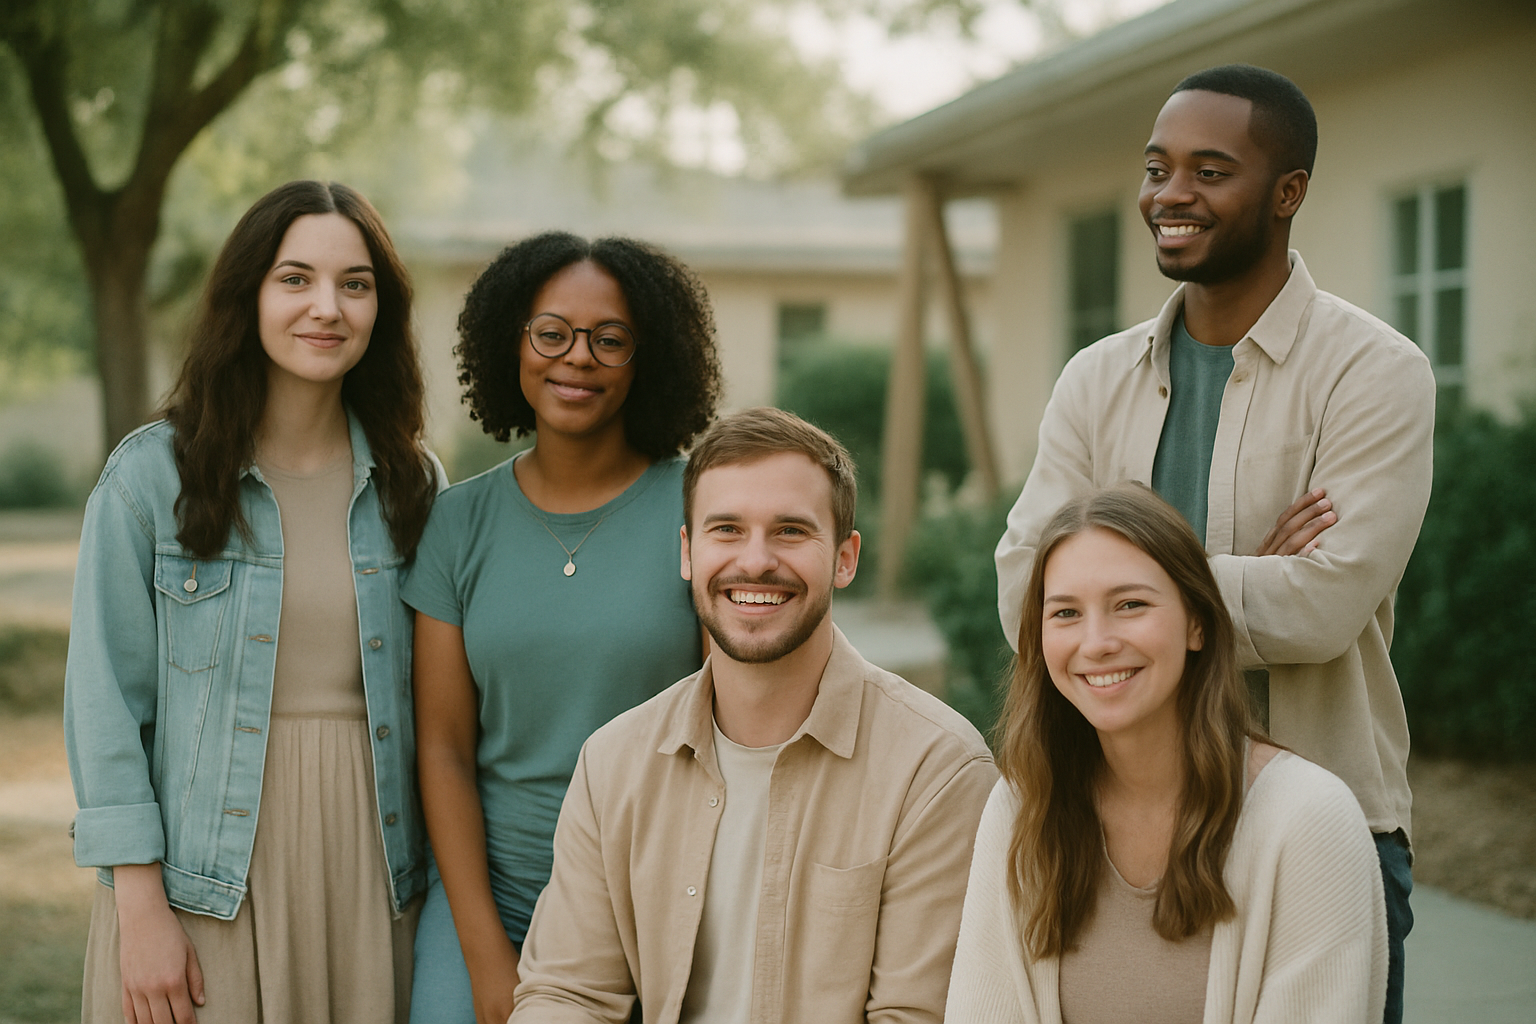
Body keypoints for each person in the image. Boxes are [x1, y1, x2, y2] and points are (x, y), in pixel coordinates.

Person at [992, 64, 1433, 1024]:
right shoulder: (1094, 379)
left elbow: (1323, 607)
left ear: (1288, 193)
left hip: (1324, 822)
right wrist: (1224, 573)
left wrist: (1115, 585)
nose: (1170, 195)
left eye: (1209, 170)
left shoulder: (1374, 373)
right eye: (1158, 169)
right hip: (1113, 821)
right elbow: (1026, 592)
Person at [65, 180, 441, 1023]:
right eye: (295, 278)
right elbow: (105, 706)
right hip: (206, 876)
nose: (327, 308)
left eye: (355, 284)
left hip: (371, 866)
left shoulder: (414, 483)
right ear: (250, 296)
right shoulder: (150, 478)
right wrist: (141, 909)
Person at [510, 407, 998, 1024]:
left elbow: (915, 1016)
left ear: (845, 558)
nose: (756, 561)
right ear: (688, 552)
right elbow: (566, 993)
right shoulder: (613, 763)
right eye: (727, 530)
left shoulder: (936, 772)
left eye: (791, 530)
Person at [405, 232, 723, 1024]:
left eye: (609, 340)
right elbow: (442, 747)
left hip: (658, 893)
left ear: (645, 359)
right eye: (552, 333)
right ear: (511, 343)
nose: (577, 357)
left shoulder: (703, 509)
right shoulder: (458, 524)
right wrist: (484, 957)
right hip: (497, 894)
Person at [952, 482, 1386, 1023]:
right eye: (1065, 613)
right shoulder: (1021, 809)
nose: (1097, 642)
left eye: (1130, 604)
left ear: (1197, 623)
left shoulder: (1307, 821)